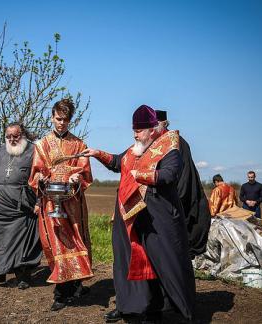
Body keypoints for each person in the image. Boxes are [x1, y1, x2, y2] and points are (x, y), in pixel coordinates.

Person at [84, 105, 195, 323]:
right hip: (129, 216)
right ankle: (129, 307)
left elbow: (170, 175)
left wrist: (140, 174)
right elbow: (118, 162)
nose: (135, 133)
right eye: (134, 129)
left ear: (152, 129)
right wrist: (97, 154)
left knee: (159, 262)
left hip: (157, 217)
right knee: (127, 260)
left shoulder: (168, 148)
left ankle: (162, 308)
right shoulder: (135, 149)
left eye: (140, 129)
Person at [28, 98, 94, 311]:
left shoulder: (79, 145)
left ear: (70, 120)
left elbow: (85, 173)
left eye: (65, 120)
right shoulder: (42, 145)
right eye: (58, 119)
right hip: (50, 202)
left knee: (76, 241)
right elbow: (36, 172)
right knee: (55, 244)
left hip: (73, 203)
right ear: (51, 117)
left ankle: (76, 285)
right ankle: (60, 293)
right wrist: (40, 178)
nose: (61, 123)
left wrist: (77, 179)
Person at [0, 123, 42, 289]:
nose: (12, 139)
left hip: (21, 206)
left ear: (23, 134)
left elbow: (42, 179)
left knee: (21, 242)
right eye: (8, 136)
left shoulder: (34, 151)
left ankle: (24, 277)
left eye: (15, 136)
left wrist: (39, 202)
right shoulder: (0, 151)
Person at [155, 110, 211, 259]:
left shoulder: (175, 141)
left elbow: (183, 173)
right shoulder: (157, 141)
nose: (152, 128)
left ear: (164, 124)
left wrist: (173, 199)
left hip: (179, 193)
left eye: (155, 124)